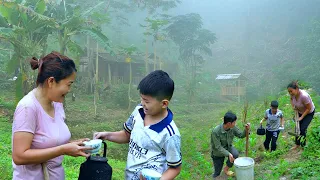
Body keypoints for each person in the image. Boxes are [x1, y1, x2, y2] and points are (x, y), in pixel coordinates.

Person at [12, 51, 91, 180]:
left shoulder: (56, 104)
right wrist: (63, 149)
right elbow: (19, 156)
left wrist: (73, 145)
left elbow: (47, 141)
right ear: (51, 81)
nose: (69, 90)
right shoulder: (28, 107)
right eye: (68, 84)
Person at [94, 70, 182, 180]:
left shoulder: (170, 134)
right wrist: (107, 135)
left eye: (147, 101)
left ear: (164, 103)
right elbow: (127, 135)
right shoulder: (138, 112)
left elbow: (175, 168)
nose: (142, 103)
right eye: (141, 98)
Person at [211, 111, 250, 178]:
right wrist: (228, 154)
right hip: (217, 153)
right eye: (234, 122)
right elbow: (218, 147)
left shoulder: (232, 128)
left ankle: (226, 169)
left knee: (235, 154)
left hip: (228, 147)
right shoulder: (216, 131)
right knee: (217, 172)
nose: (235, 124)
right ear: (229, 123)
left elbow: (240, 135)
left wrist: (246, 130)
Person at [287, 81, 315, 150]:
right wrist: (293, 106)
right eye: (289, 92)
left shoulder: (304, 96)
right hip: (299, 111)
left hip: (309, 113)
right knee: (297, 128)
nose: (290, 93)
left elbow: (309, 108)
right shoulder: (292, 95)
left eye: (291, 91)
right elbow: (291, 99)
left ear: (296, 89)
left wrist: (301, 117)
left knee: (302, 129)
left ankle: (303, 146)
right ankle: (297, 144)